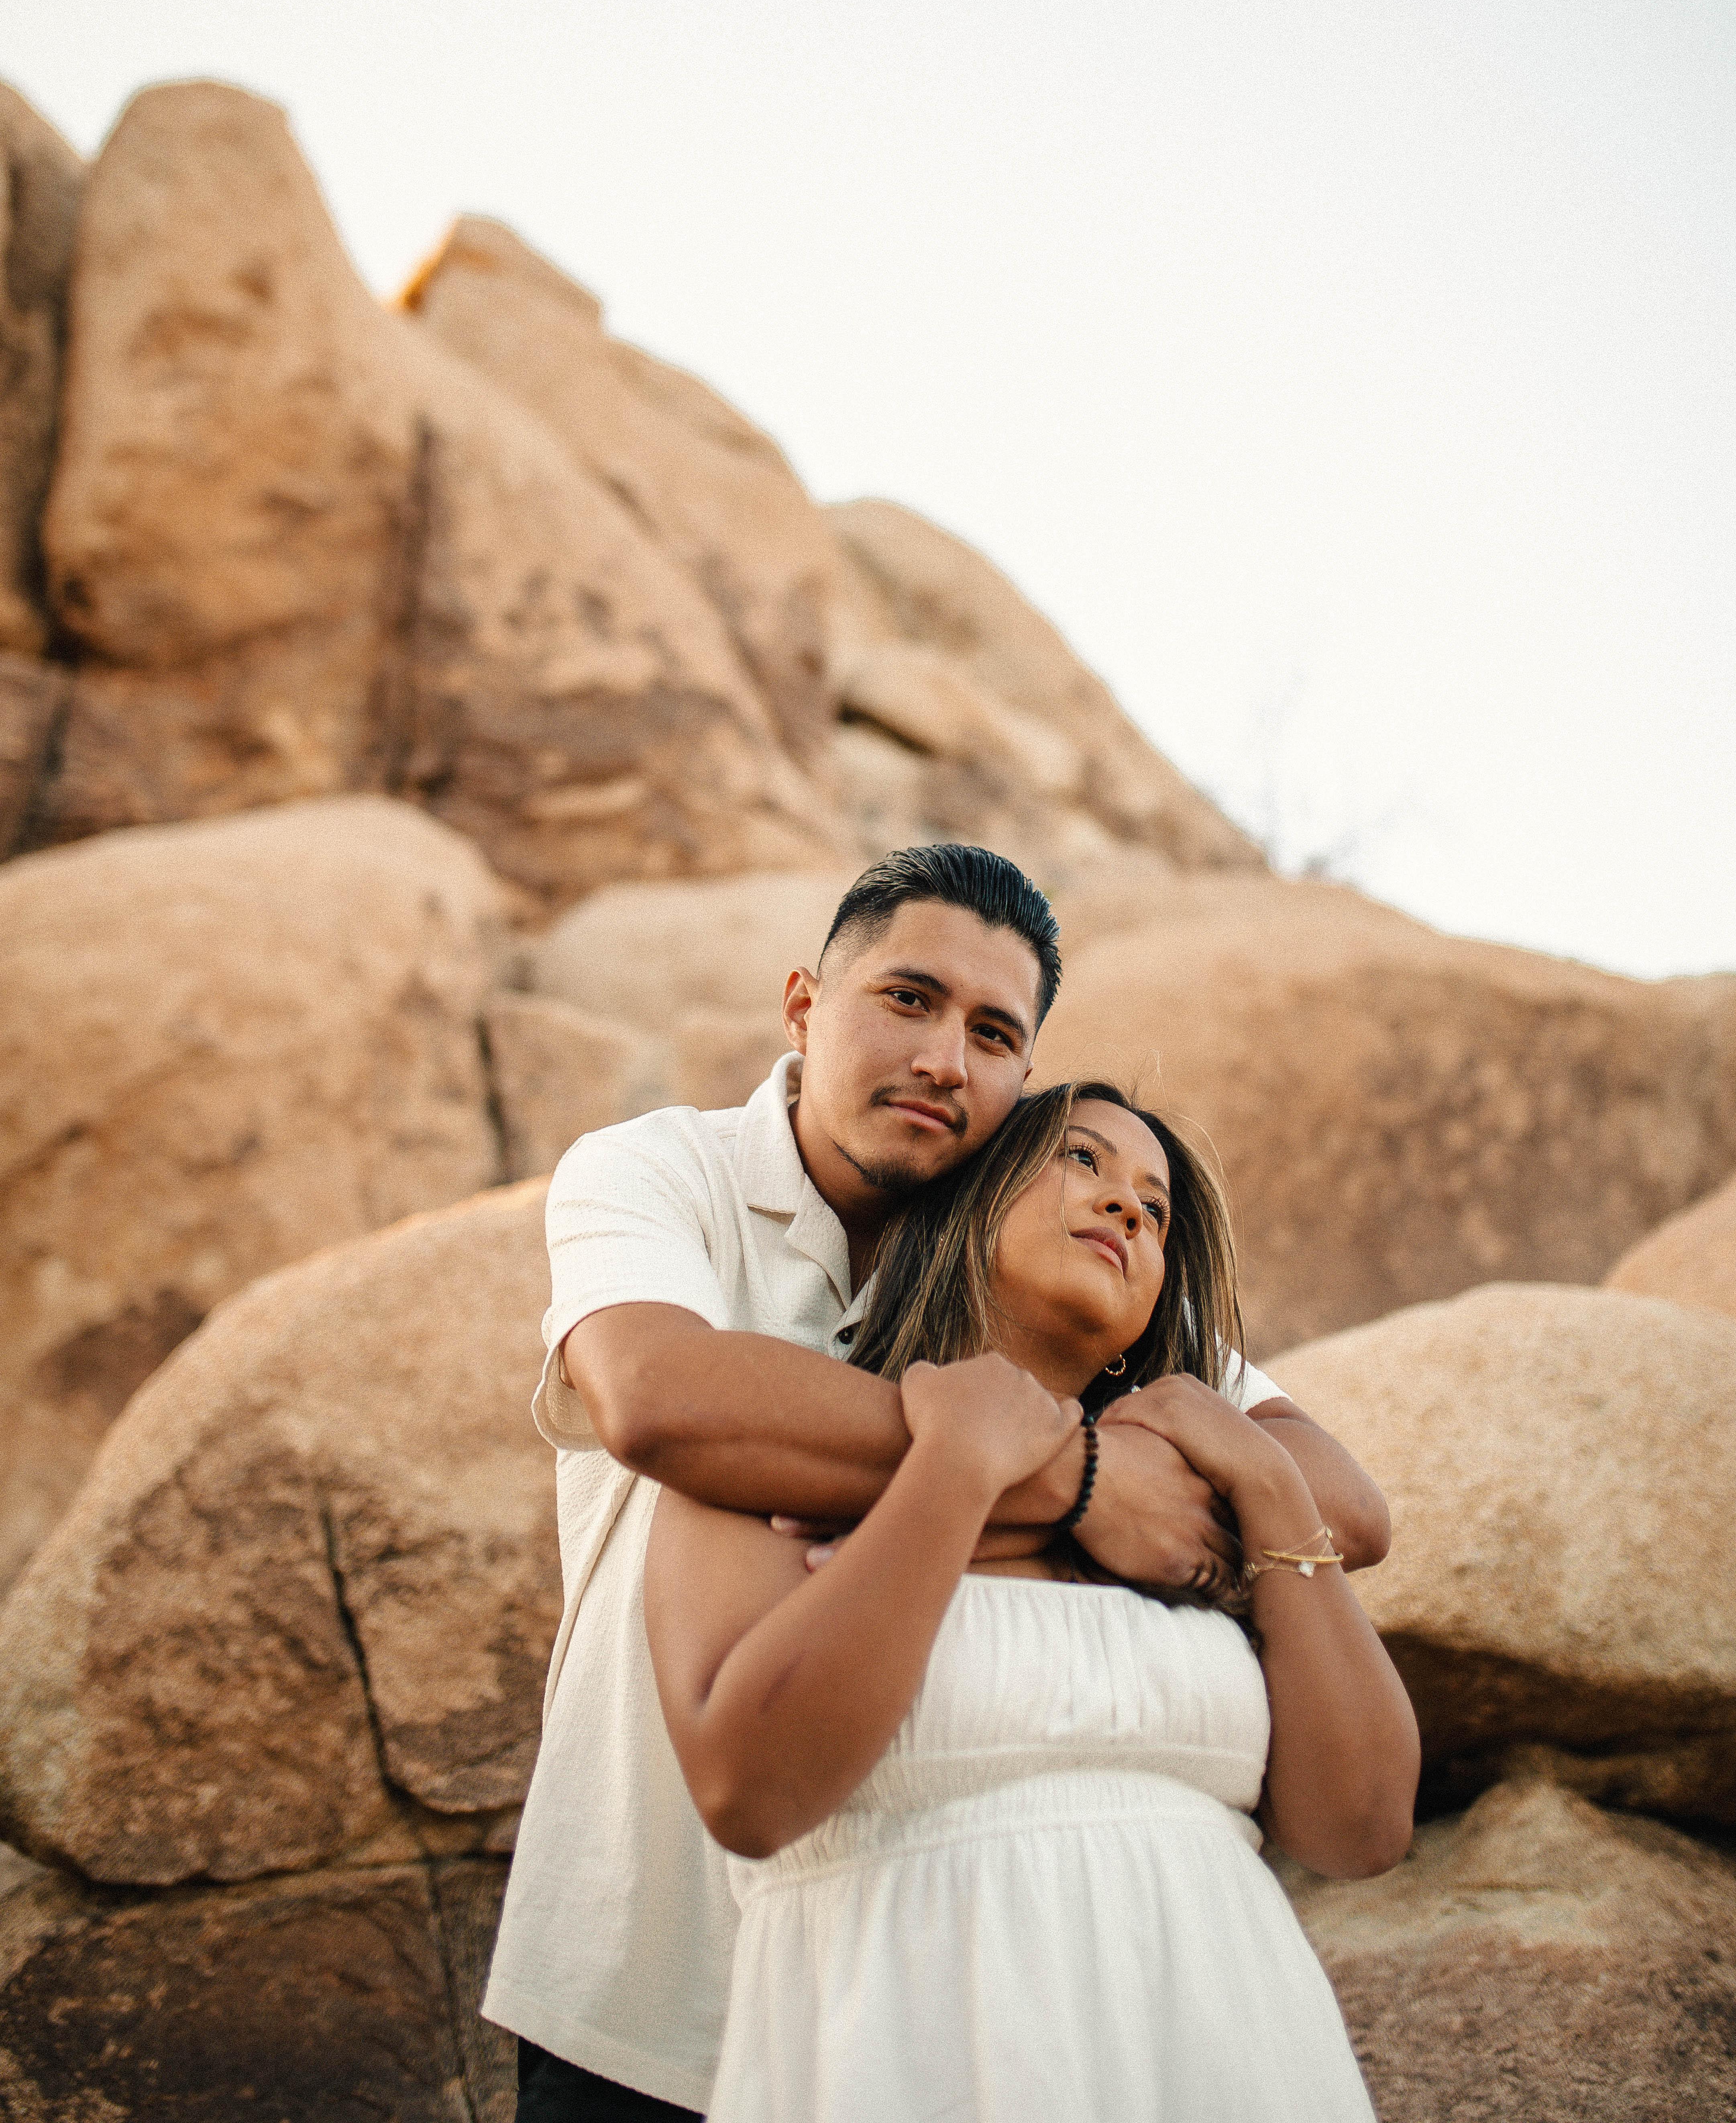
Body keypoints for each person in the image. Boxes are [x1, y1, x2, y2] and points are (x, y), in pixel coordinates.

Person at [482, 845, 1392, 2119]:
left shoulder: (1034, 1221)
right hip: (649, 1971)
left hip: (955, 1988)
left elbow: (1339, 1503)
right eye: (908, 1000)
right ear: (805, 1008)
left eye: (993, 1034)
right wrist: (1077, 1477)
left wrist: (1112, 1459)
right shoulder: (664, 1171)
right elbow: (658, 1400)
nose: (945, 1061)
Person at [645, 1082, 1419, 2121]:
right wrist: (957, 1468)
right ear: (967, 1202)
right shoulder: (774, 1461)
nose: (1128, 1207)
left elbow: (1361, 1828)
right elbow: (750, 1793)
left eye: (1157, 1210)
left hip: (1231, 2054)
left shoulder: (1200, 1514)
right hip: (914, 2058)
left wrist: (1269, 1482)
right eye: (1082, 1159)